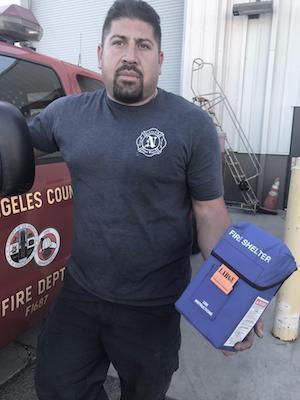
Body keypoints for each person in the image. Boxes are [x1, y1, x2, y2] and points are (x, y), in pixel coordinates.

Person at [29, 1, 263, 399]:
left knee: (144, 392)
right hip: (81, 291)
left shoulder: (192, 125)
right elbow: (18, 145)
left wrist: (236, 295)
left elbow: (210, 213)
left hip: (153, 304)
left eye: (143, 45)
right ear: (102, 53)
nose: (130, 56)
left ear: (160, 58)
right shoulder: (65, 115)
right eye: (119, 42)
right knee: (56, 386)